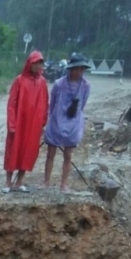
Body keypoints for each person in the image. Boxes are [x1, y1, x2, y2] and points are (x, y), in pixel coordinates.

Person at [43, 53, 91, 192]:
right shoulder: (59, 84)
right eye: (75, 69)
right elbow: (52, 104)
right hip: (57, 120)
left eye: (80, 69)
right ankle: (46, 181)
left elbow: (83, 104)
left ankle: (63, 183)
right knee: (50, 153)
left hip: (73, 123)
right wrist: (51, 118)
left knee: (68, 155)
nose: (77, 72)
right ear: (70, 69)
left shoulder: (86, 86)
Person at [2, 51, 49, 193]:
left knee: (28, 152)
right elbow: (12, 103)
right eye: (35, 63)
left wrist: (43, 122)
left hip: (33, 124)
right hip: (19, 123)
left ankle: (20, 181)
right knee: (13, 151)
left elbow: (45, 103)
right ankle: (8, 182)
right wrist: (12, 124)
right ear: (30, 63)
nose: (38, 66)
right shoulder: (20, 80)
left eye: (40, 63)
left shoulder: (42, 83)